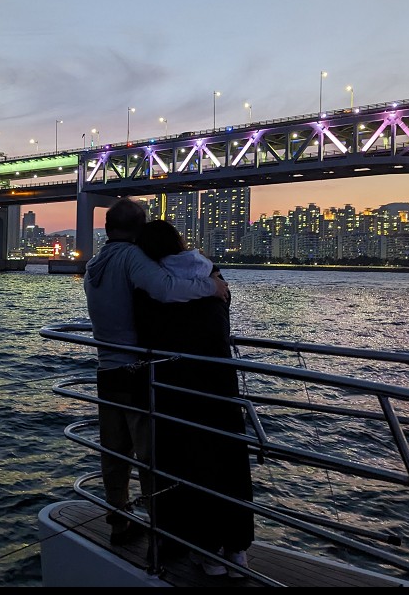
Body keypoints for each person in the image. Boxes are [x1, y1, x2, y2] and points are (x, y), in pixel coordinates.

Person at [83, 198, 229, 547]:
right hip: (134, 371)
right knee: (150, 457)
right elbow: (164, 289)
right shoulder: (131, 257)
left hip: (107, 370)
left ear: (107, 228)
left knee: (115, 455)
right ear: (139, 228)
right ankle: (160, 532)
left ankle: (118, 523)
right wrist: (213, 286)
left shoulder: (94, 264)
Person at [133, 219, 254, 578]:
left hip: (177, 387)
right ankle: (236, 549)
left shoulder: (152, 287)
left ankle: (207, 551)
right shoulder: (214, 276)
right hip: (221, 384)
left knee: (191, 463)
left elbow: (147, 332)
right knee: (230, 461)